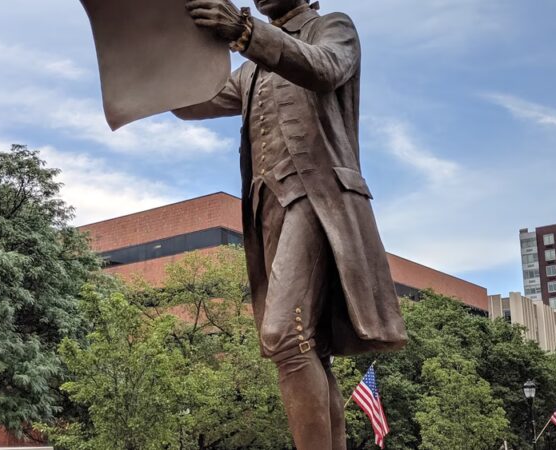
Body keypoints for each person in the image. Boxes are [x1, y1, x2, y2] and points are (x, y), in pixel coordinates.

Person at [173, 1, 407, 447]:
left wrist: (244, 32)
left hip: (319, 202)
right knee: (307, 346)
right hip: (268, 211)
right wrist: (165, 42)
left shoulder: (332, 28)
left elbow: (325, 68)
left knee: (282, 335)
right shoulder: (249, 71)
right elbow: (190, 101)